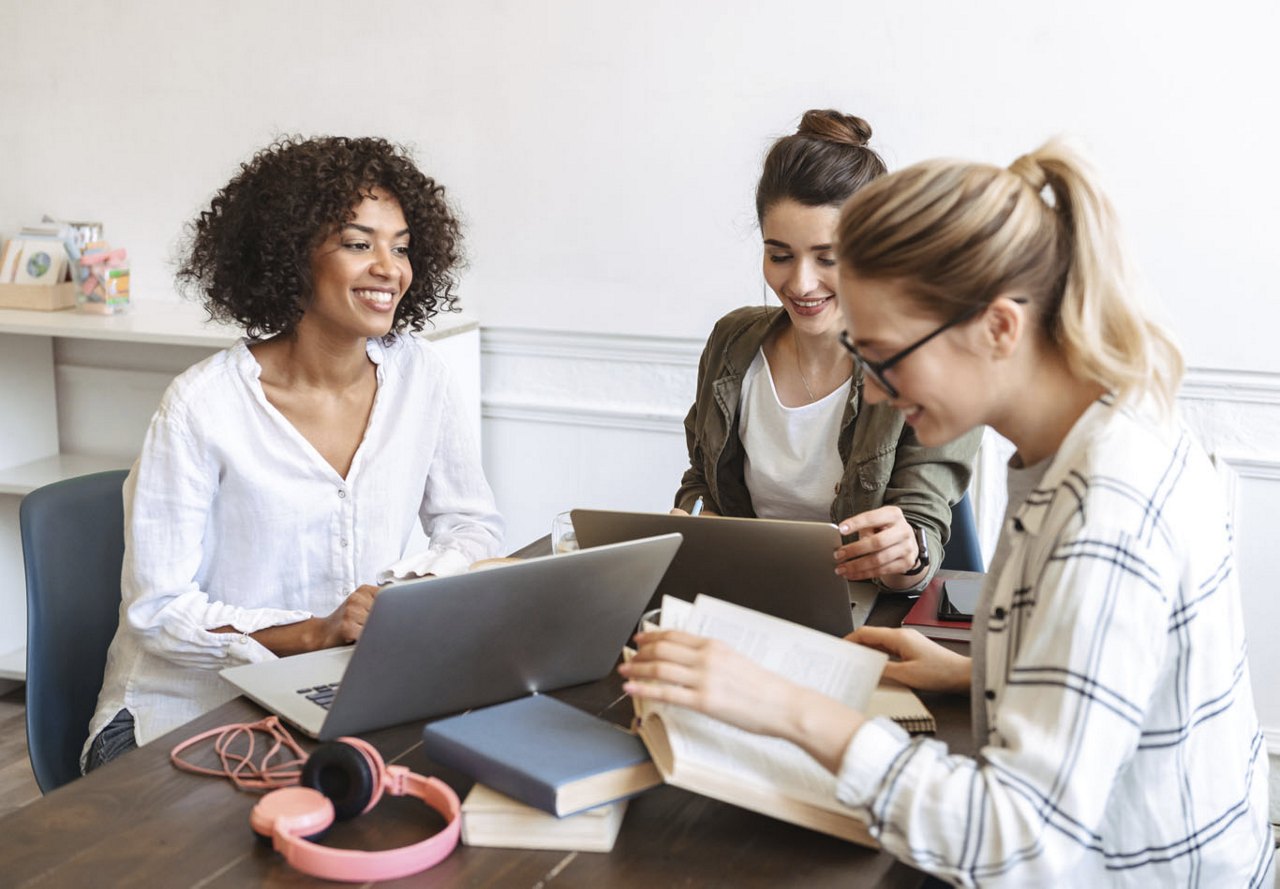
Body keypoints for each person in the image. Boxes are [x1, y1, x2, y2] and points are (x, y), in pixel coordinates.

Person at [624, 138, 1274, 885]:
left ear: (998, 328)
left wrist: (787, 705)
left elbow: (1017, 844)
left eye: (883, 356)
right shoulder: (1099, 432)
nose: (869, 393)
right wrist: (975, 673)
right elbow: (1116, 688)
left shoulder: (1104, 514)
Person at [84, 136, 504, 770]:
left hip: (340, 697)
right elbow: (158, 611)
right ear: (289, 256)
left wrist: (402, 597)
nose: (389, 267)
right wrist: (319, 631)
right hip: (183, 715)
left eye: (401, 246)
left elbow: (471, 525)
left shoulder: (424, 379)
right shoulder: (202, 405)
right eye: (359, 244)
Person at [674, 110, 981, 590]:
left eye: (828, 258)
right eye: (779, 256)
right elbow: (702, 480)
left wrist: (906, 552)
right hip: (746, 596)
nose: (799, 283)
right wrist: (695, 519)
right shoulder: (731, 344)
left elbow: (920, 543)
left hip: (868, 612)